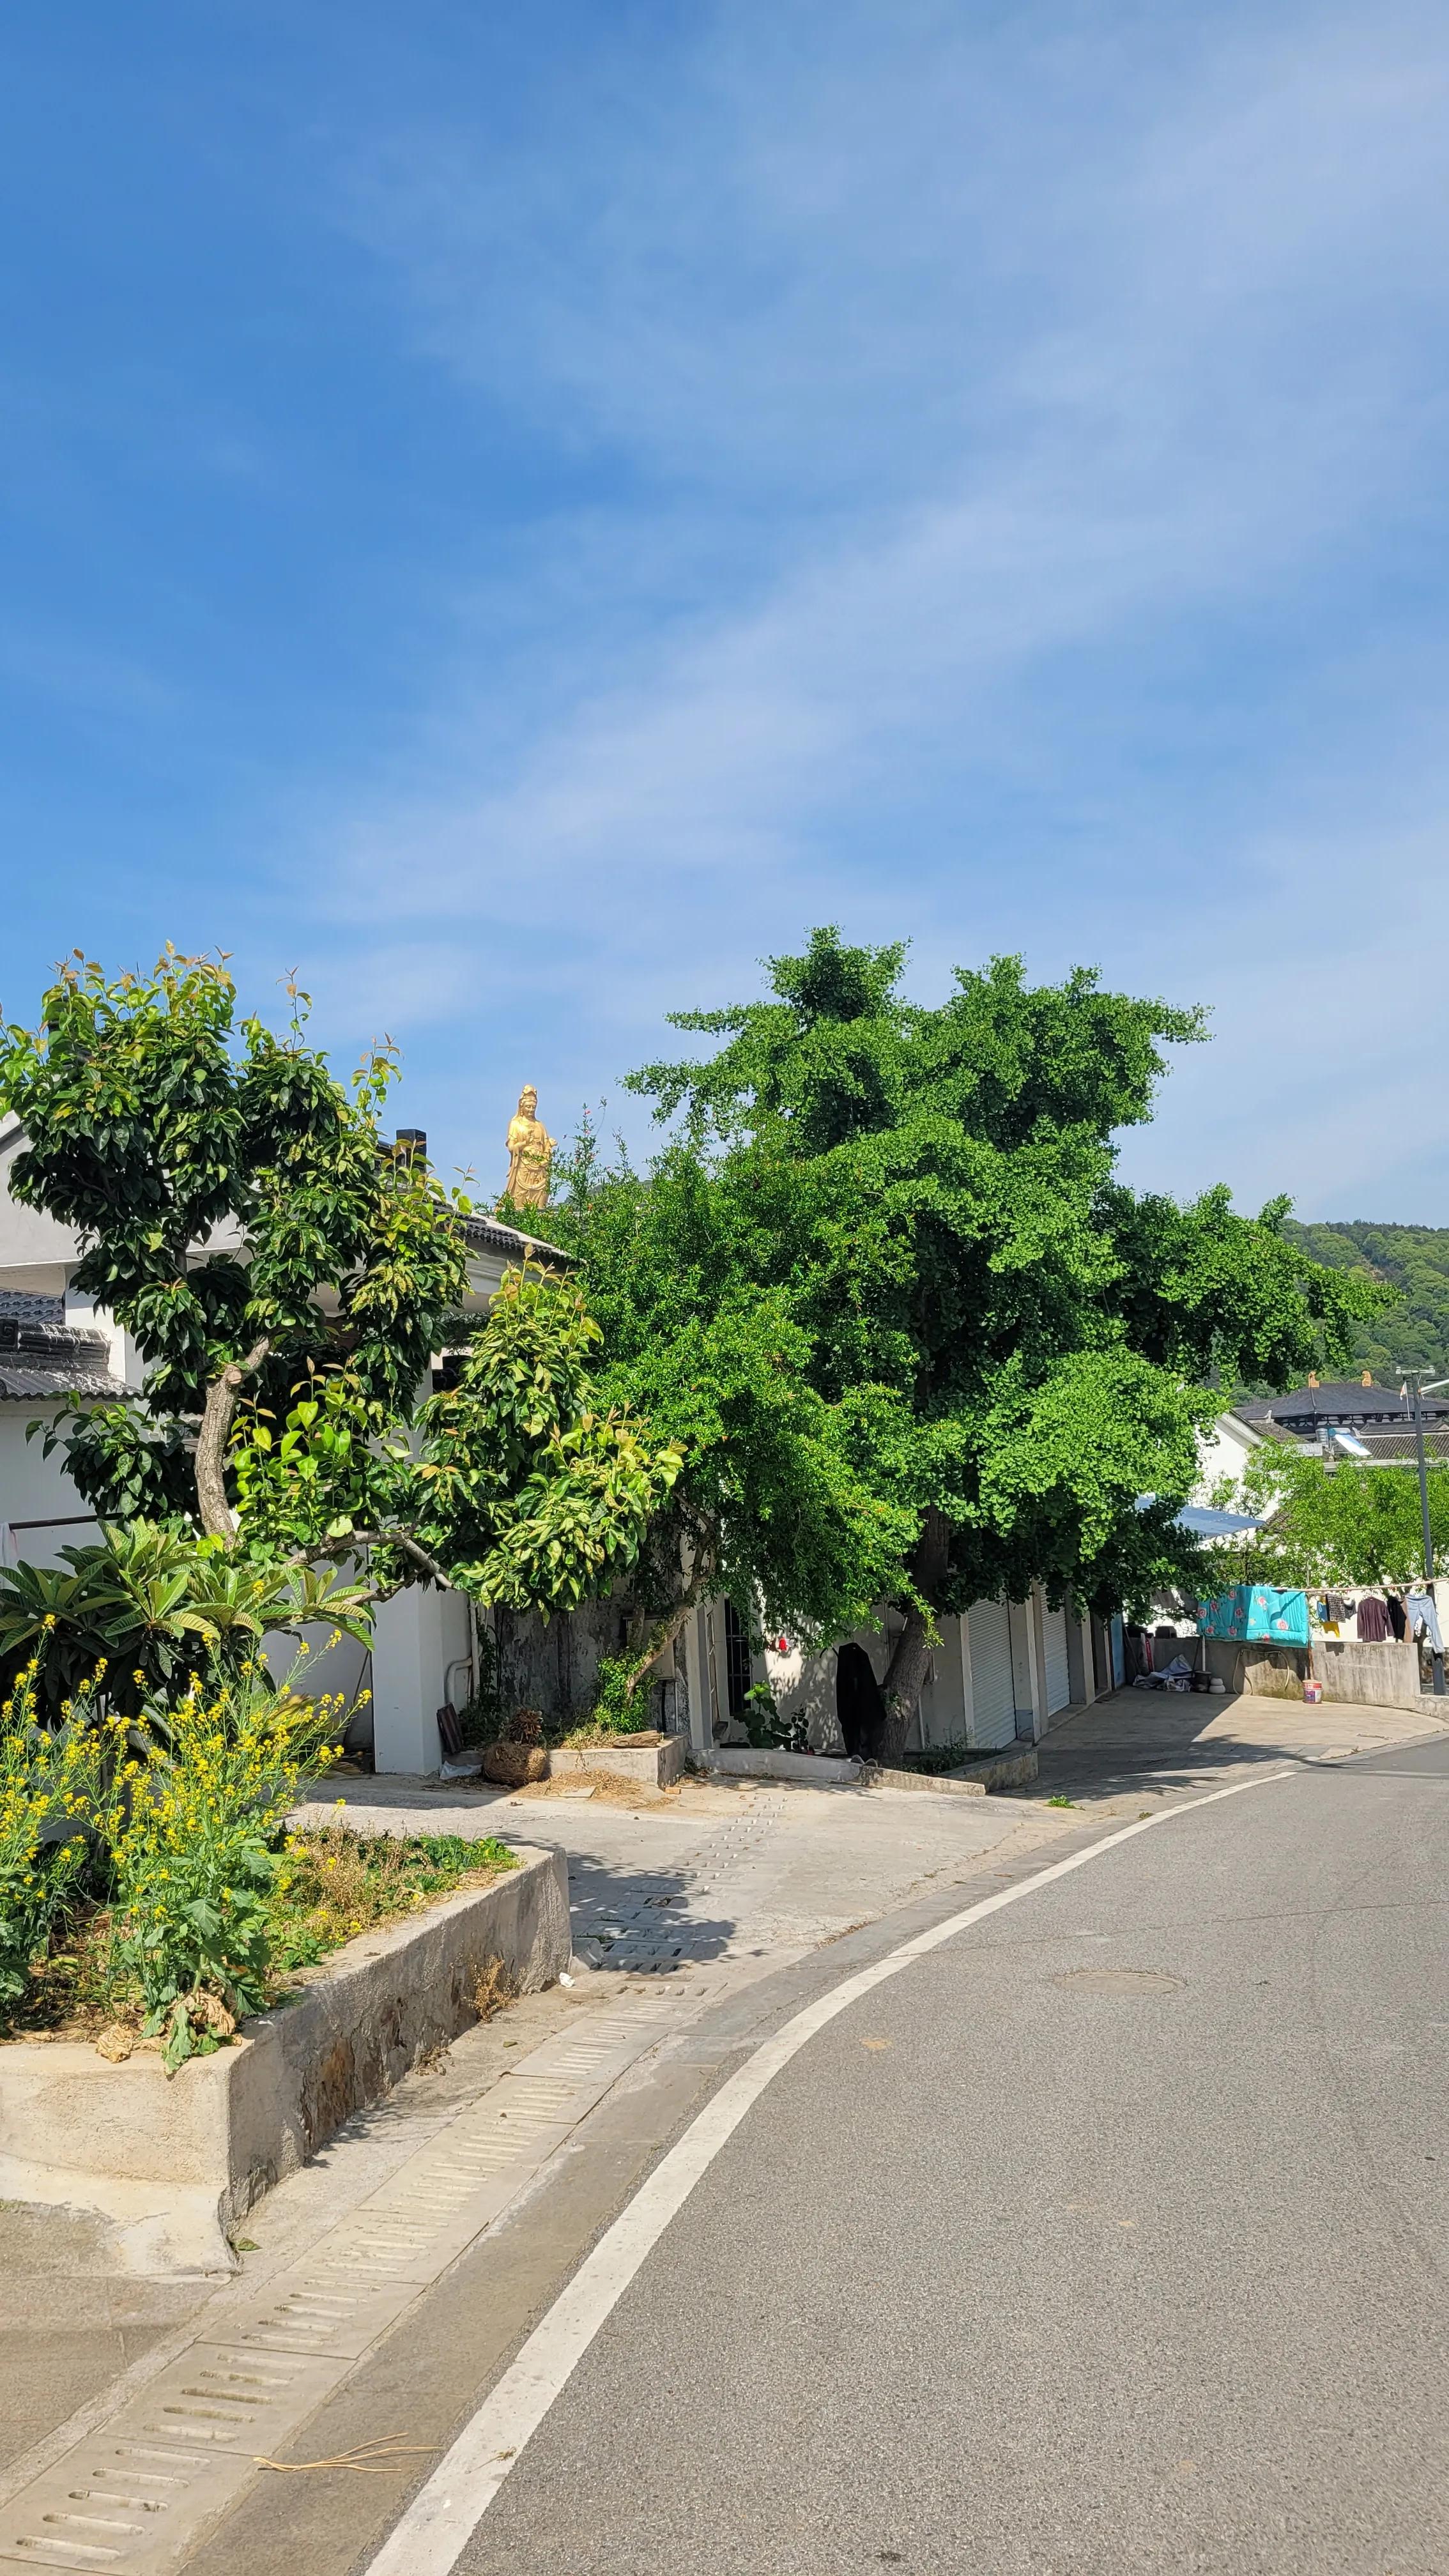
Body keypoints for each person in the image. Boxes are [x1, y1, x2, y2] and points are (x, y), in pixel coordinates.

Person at [503, 1085, 555, 1209]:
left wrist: (549, 1145)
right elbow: (511, 1147)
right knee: (519, 1200)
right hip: (524, 1166)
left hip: (540, 1168)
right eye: (528, 1107)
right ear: (522, 1106)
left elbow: (546, 1145)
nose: (531, 1110)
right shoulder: (516, 1124)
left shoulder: (540, 1125)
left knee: (540, 1204)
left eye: (533, 1107)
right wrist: (524, 1144)